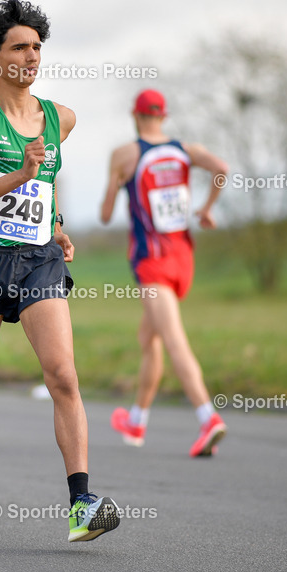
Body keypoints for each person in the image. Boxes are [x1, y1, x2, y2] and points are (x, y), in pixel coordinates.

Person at [0, 0, 120, 542]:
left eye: (37, 46)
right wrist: (20, 172)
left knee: (63, 375)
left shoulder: (60, 117)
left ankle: (81, 503)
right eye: (19, 46)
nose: (31, 55)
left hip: (39, 259)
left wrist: (56, 222)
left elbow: (44, 183)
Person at [100, 89, 229, 457]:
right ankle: (137, 418)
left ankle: (208, 419)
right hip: (183, 259)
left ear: (134, 115)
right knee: (149, 338)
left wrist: (115, 184)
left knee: (173, 340)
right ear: (164, 116)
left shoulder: (126, 154)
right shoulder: (186, 149)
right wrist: (206, 209)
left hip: (152, 261)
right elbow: (222, 169)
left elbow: (107, 214)